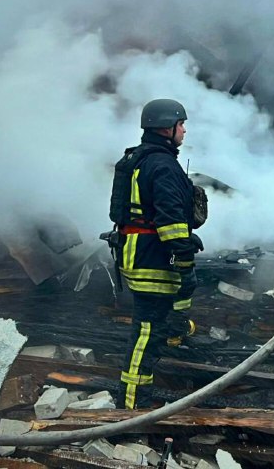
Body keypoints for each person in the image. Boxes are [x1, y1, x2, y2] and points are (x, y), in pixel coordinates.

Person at [109, 98, 203, 409]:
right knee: (146, 331)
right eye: (181, 124)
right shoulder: (162, 164)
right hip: (151, 258)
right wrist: (184, 254)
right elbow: (170, 219)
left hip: (138, 254)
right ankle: (133, 404)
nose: (184, 130)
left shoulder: (141, 158)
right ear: (167, 127)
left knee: (155, 323)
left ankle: (174, 336)